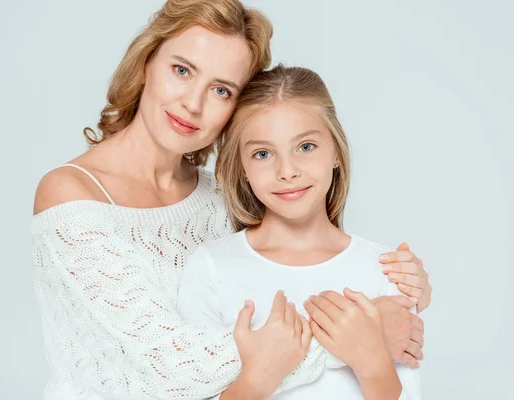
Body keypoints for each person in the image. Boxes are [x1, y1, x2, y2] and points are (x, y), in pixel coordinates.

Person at [32, 1, 431, 398]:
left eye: (221, 89)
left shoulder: (220, 199)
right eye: (182, 70)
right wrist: (363, 330)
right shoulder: (72, 194)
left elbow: (300, 263)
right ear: (145, 63)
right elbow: (170, 369)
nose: (193, 103)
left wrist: (403, 286)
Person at [177, 65, 423, 399]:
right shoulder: (211, 268)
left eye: (305, 146)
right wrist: (258, 378)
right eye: (263, 154)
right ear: (243, 168)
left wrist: (373, 364)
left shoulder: (386, 269)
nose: (287, 171)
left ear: (335, 151)